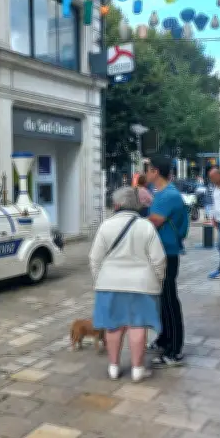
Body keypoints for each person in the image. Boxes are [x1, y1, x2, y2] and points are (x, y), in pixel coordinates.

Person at [90, 188, 166, 381]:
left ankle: (114, 367)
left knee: (113, 326)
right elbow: (159, 259)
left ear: (116, 205)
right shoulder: (146, 226)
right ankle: (137, 369)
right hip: (141, 284)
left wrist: (100, 279)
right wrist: (157, 280)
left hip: (109, 283)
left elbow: (95, 258)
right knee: (137, 326)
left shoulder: (105, 226)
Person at [146, 155, 189, 367]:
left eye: (148, 169)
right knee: (162, 298)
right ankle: (164, 338)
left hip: (167, 252)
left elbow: (153, 222)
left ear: (156, 172)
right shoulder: (162, 193)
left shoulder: (167, 195)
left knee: (170, 299)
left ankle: (175, 350)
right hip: (161, 251)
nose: (146, 172)